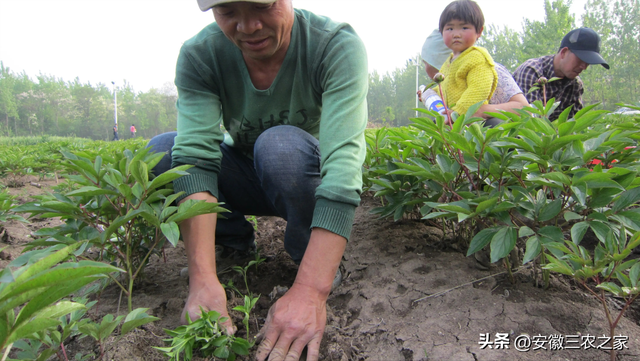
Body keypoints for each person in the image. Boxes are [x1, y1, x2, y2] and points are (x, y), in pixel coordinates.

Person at [146, 1, 368, 360]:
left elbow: (342, 168)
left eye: (262, 6)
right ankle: (232, 242)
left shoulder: (333, 44)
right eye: (228, 12)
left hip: (302, 174)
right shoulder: (201, 54)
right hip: (246, 175)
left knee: (279, 145)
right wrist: (201, 282)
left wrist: (312, 290)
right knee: (162, 153)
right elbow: (196, 159)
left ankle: (305, 252)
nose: (247, 27)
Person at [418, 29, 528, 124]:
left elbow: (524, 108)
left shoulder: (485, 68)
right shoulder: (449, 79)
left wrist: (482, 110)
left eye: (425, 63)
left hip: (499, 137)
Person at [513, 27, 609, 121]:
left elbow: (573, 125)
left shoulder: (575, 84)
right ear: (564, 52)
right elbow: (530, 120)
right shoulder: (532, 71)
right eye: (581, 59)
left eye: (588, 62)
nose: (584, 67)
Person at [436, 0, 498, 117]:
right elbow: (443, 88)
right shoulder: (448, 63)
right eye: (450, 29)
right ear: (441, 32)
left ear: (479, 31)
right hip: (453, 118)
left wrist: (458, 111)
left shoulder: (477, 57)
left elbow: (478, 90)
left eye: (464, 28)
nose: (456, 34)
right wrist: (429, 93)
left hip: (472, 120)